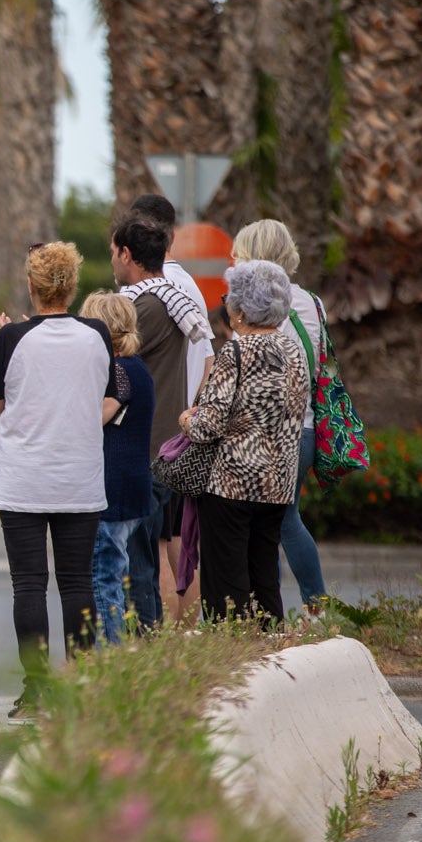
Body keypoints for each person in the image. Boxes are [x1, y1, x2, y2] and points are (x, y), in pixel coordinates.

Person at [0, 242, 112, 719]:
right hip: (79, 476)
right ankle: (81, 685)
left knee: (29, 585)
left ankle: (36, 688)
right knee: (78, 583)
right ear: (71, 287)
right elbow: (107, 393)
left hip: (23, 478)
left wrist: (8, 338)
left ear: (31, 287)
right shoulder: (97, 333)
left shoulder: (12, 338)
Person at [181, 261, 309, 624]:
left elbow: (209, 425)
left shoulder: (235, 354)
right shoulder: (294, 352)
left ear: (239, 309)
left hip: (232, 484)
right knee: (264, 574)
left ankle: (233, 654)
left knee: (227, 580)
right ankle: (269, 650)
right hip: (277, 483)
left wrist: (188, 419)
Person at [230, 219, 331, 611]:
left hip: (275, 430)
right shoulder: (312, 301)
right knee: (277, 518)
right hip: (306, 427)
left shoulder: (266, 304)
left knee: (279, 520)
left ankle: (315, 606)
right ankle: (272, 607)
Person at [111, 218, 205, 629]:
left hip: (144, 451)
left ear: (127, 255)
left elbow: (107, 363)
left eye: (114, 253)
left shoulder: (141, 308)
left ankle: (145, 642)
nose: (113, 261)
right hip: (166, 444)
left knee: (140, 560)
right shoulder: (171, 299)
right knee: (157, 549)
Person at [80, 291, 154, 645]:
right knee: (116, 573)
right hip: (132, 487)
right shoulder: (137, 367)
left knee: (103, 577)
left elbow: (95, 419)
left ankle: (110, 658)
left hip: (113, 490)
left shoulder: (119, 371)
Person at [127, 193, 214, 398]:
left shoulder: (150, 289)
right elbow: (208, 360)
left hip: (156, 422)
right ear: (173, 236)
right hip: (180, 421)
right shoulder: (189, 287)